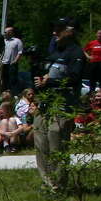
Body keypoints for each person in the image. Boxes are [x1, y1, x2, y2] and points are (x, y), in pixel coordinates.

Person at [34, 18, 84, 190]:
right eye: (54, 28)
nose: (54, 33)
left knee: (56, 140)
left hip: (63, 105)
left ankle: (59, 184)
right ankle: (47, 182)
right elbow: (46, 75)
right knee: (40, 141)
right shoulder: (54, 52)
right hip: (45, 105)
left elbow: (74, 79)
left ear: (69, 31)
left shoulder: (76, 53)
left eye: (59, 29)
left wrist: (49, 83)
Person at [2, 26, 24, 93]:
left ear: (11, 32)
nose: (4, 33)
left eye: (6, 32)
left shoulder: (17, 41)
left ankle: (13, 93)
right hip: (3, 63)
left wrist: (15, 61)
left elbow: (20, 52)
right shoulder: (3, 41)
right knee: (4, 79)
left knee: (13, 79)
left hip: (12, 63)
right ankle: (4, 93)